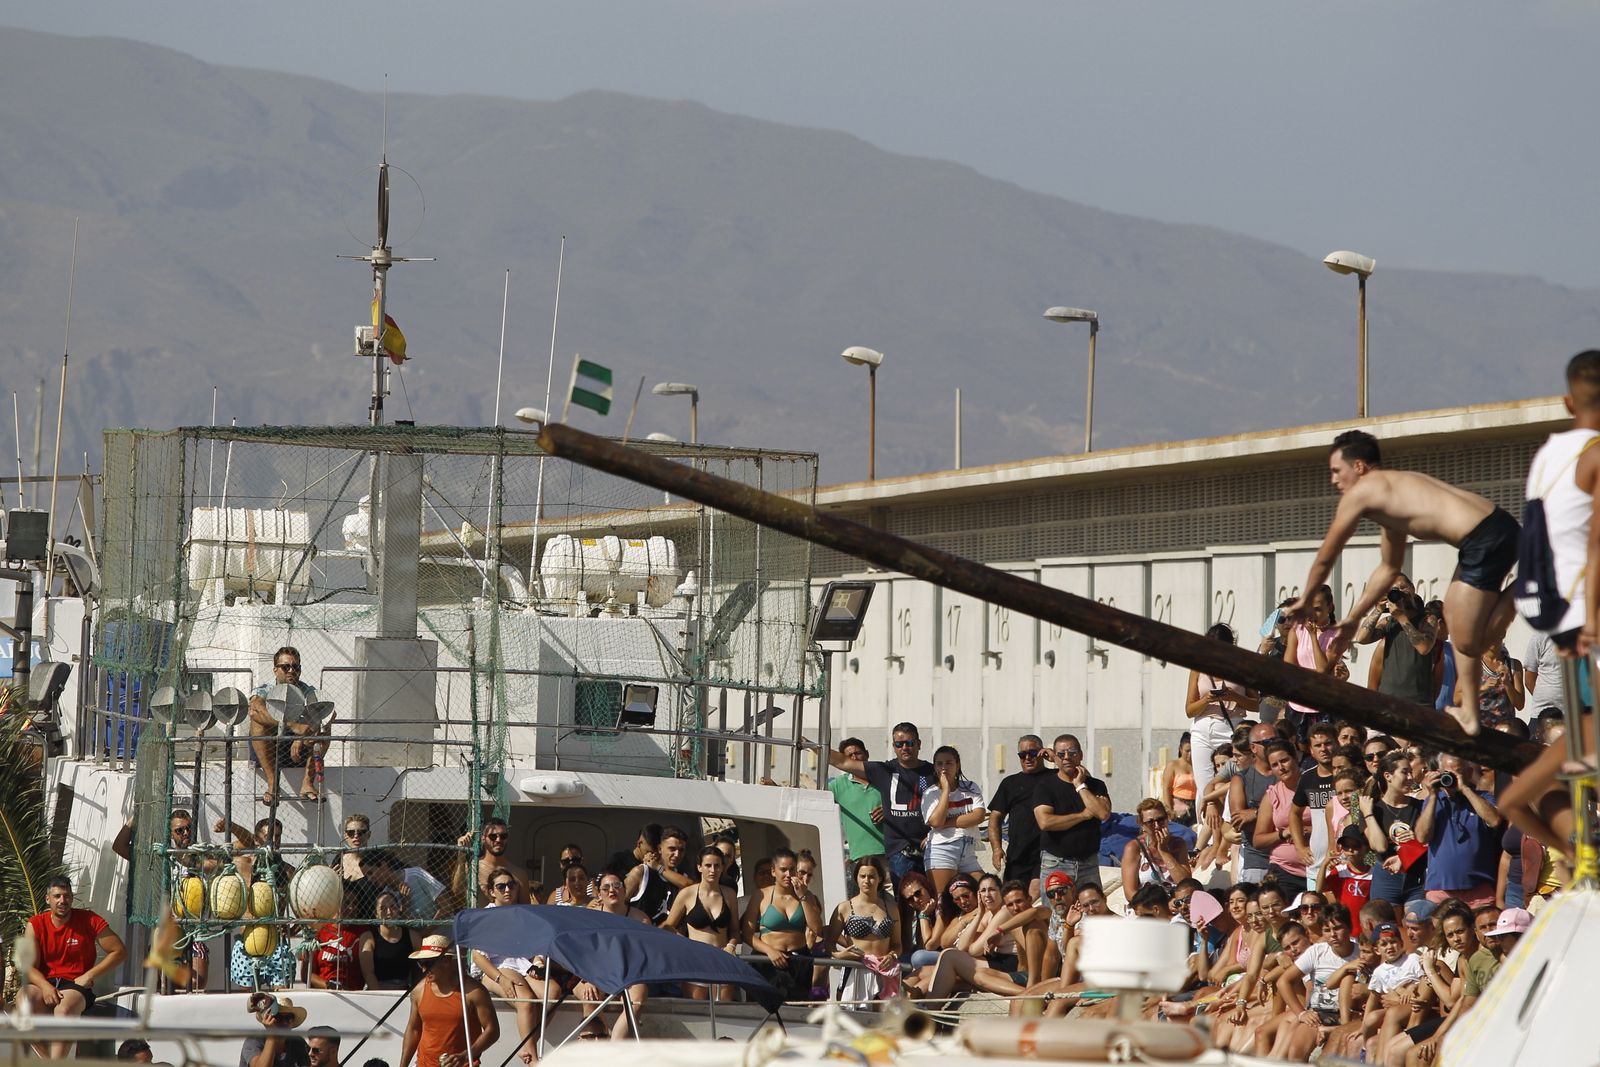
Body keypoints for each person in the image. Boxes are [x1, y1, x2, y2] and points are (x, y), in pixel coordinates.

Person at [1287, 430, 1521, 735]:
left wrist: (1305, 600)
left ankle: (1529, 581)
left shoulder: (1363, 491)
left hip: (1485, 539)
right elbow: (1388, 568)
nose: (1333, 480)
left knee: (1464, 638)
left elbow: (1326, 555)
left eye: (1335, 471)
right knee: (1466, 634)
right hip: (1493, 532)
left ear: (1358, 466)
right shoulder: (1391, 497)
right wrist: (1353, 619)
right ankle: (1471, 717)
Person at [21, 876, 127, 1059]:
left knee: (63, 1010)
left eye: (67, 896)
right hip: (44, 983)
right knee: (24, 1001)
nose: (63, 901)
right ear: (48, 899)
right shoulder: (36, 923)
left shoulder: (89, 919)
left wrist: (90, 974)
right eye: (57, 896)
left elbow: (119, 951)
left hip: (75, 984)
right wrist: (45, 987)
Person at [824, 722, 937, 882]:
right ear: (894, 746)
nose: (904, 747)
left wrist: (935, 832)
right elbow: (843, 762)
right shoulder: (884, 771)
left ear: (918, 744)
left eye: (909, 743)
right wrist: (816, 747)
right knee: (903, 902)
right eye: (899, 744)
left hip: (931, 848)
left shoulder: (933, 772)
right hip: (900, 853)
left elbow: (948, 804)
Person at [1186, 624, 1261, 825]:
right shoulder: (1198, 667)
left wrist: (1235, 696)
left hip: (1232, 727)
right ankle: (1206, 836)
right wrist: (1207, 700)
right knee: (1203, 785)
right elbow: (1189, 709)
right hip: (1202, 727)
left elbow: (1256, 704)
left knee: (1232, 779)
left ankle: (1230, 829)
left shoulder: (1242, 665)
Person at [398, 936, 499, 1067]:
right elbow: (414, 1030)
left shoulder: (473, 991)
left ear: (446, 960)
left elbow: (492, 1030)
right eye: (420, 963)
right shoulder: (419, 991)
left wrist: (465, 1056)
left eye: (428, 964)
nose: (424, 969)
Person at [249, 646, 333, 803]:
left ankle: (307, 783)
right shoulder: (265, 689)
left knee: (324, 726)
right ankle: (272, 782)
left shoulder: (308, 691)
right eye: (285, 666)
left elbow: (329, 713)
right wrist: (291, 725)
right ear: (275, 670)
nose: (291, 671)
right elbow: (254, 709)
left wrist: (301, 737)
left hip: (298, 750)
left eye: (295, 667)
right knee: (257, 722)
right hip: (270, 748)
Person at [1416, 756, 1502, 907]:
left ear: (1469, 773)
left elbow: (1494, 820)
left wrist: (1465, 789)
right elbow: (1422, 837)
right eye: (1447, 774)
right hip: (1441, 891)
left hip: (1478, 890)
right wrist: (1433, 795)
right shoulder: (1432, 801)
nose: (1451, 779)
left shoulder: (1483, 797)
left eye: (1458, 773)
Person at [1032, 733, 1111, 889]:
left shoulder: (1096, 785)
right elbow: (1045, 822)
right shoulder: (1045, 786)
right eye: (1061, 754)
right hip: (1056, 862)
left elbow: (1103, 813)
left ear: (1080, 755)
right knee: (1056, 912)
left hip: (1089, 862)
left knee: (1092, 911)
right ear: (1056, 758)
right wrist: (1084, 815)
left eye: (1072, 753)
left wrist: (1080, 786)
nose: (1066, 757)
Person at [742, 847, 824, 998]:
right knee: (764, 1012)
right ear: (774, 871)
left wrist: (803, 896)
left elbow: (817, 928)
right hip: (767, 961)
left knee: (797, 1012)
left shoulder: (807, 896)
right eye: (783, 870)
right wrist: (769, 951)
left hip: (798, 960)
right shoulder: (761, 895)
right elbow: (747, 934)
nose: (788, 874)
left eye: (792, 870)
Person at [663, 847, 740, 999]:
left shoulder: (730, 894)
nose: (713, 870)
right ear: (699, 867)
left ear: (722, 867)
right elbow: (668, 926)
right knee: (697, 1010)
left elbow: (735, 930)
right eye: (708, 865)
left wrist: (731, 945)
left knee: (725, 1011)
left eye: (717, 865)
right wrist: (687, 943)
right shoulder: (687, 893)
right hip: (695, 960)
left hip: (722, 960)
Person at [824, 857, 901, 1002]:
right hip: (853, 970)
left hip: (883, 972)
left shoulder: (891, 908)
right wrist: (840, 956)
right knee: (849, 1019)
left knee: (883, 1021)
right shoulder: (844, 908)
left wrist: (892, 956)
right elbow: (829, 943)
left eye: (871, 876)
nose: (867, 880)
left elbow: (898, 944)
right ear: (856, 879)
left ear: (880, 879)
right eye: (863, 876)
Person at [987, 734, 1051, 897]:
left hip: (1046, 853)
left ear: (1042, 753)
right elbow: (995, 818)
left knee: (1034, 894)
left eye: (1032, 753)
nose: (1027, 758)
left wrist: (1056, 757)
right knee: (1013, 900)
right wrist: (996, 848)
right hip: (1017, 856)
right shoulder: (1010, 783)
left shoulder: (1056, 777)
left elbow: (1082, 777)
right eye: (1022, 755)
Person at [921, 745, 986, 896]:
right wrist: (945, 791)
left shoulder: (971, 787)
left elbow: (978, 816)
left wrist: (946, 823)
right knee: (943, 900)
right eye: (939, 764)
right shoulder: (930, 793)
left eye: (949, 763)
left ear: (958, 765)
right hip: (942, 849)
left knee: (983, 892)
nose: (944, 768)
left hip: (967, 849)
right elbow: (936, 822)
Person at [1230, 722, 1281, 885]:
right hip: (1257, 863)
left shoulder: (1288, 774)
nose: (1273, 745)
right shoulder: (1241, 779)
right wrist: (1278, 816)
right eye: (1267, 742)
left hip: (1287, 861)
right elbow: (1240, 822)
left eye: (1276, 740)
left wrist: (1255, 813)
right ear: (1253, 747)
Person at [828, 737, 885, 867]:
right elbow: (811, 797)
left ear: (867, 754)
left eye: (858, 753)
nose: (854, 758)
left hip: (890, 856)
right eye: (850, 755)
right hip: (860, 859)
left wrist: (887, 810)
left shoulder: (885, 778)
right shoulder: (837, 786)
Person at [1120, 798, 1191, 892]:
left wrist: (1164, 851)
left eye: (1161, 820)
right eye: (1150, 822)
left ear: (1167, 819)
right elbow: (1130, 893)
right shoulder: (1134, 848)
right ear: (1142, 824)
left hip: (1175, 903)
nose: (1157, 826)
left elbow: (1185, 883)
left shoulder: (1178, 844)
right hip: (1146, 903)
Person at [456, 817, 530, 905]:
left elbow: (525, 909)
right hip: (479, 918)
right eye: (493, 836)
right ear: (483, 839)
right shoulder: (472, 868)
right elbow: (456, 891)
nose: (498, 840)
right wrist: (461, 854)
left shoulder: (519, 874)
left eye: (503, 836)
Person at [361, 849, 445, 922]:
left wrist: (425, 933)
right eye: (367, 876)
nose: (369, 879)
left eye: (371, 873)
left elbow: (446, 906)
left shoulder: (417, 874)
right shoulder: (386, 895)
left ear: (383, 865)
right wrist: (405, 903)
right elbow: (400, 925)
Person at [370, 889, 423, 990]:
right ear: (376, 914)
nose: (389, 912)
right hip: (377, 990)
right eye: (383, 908)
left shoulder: (413, 937)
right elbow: (368, 973)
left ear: (399, 909)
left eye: (393, 907)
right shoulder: (369, 937)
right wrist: (378, 997)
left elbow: (420, 969)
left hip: (403, 991)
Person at [240, 994, 310, 1067]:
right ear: (268, 1019)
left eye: (289, 1017)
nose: (285, 1022)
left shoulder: (298, 1042)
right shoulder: (254, 1041)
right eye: (278, 1017)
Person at [1161, 733, 1198, 827]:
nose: (1190, 754)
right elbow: (1166, 788)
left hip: (1196, 803)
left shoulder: (1198, 765)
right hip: (1178, 803)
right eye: (1187, 751)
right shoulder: (1173, 765)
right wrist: (1169, 809)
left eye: (1193, 751)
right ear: (1181, 749)